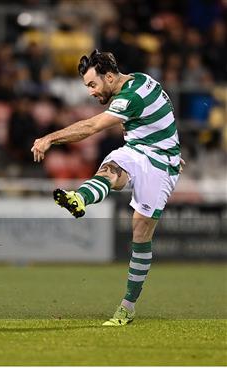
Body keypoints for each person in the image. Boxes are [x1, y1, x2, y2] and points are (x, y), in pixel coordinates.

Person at [31, 50, 185, 326]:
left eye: (92, 85)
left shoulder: (130, 96)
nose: (90, 92)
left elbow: (91, 127)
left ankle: (128, 306)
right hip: (139, 150)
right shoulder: (139, 79)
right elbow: (165, 115)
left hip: (161, 164)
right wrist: (171, 144)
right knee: (112, 168)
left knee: (140, 230)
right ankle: (79, 198)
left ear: (110, 77)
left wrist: (49, 138)